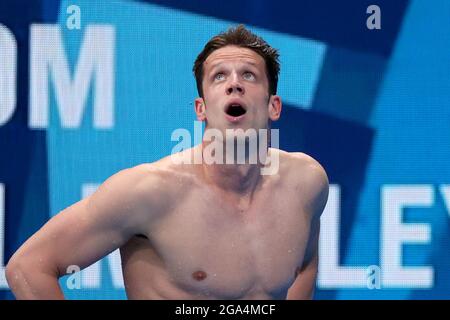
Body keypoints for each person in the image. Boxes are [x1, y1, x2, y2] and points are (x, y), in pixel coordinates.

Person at [6, 25, 329, 300]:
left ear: (274, 106)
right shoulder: (149, 192)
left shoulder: (306, 184)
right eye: (219, 76)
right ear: (201, 109)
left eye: (249, 75)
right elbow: (28, 266)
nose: (234, 83)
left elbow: (306, 262)